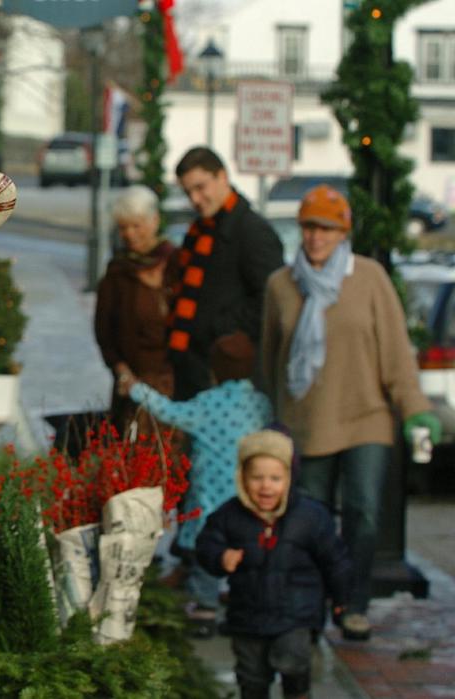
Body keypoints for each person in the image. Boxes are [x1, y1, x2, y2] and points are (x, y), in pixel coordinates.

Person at [260, 184, 441, 641]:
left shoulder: (370, 278)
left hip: (368, 417)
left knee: (362, 512)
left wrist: (416, 409)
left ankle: (353, 602)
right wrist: (267, 424)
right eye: (309, 227)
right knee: (312, 519)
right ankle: (315, 599)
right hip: (307, 421)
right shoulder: (281, 285)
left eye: (326, 228)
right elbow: (269, 363)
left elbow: (397, 352)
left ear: (343, 232)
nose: (317, 237)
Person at [130, 331, 272, 635]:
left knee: (206, 554)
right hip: (248, 498)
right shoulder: (260, 404)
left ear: (215, 369)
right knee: (246, 552)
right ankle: (241, 607)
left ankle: (205, 610)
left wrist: (136, 390)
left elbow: (169, 412)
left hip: (208, 497)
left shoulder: (207, 403)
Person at [196, 429, 353, 699]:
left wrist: (342, 599)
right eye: (256, 477)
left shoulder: (310, 516)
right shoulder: (230, 515)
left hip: (296, 615)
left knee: (293, 663)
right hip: (247, 615)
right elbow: (206, 545)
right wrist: (220, 556)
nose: (266, 486)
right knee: (251, 677)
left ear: (290, 479)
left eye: (275, 478)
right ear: (242, 478)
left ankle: (298, 693)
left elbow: (335, 559)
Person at [169, 147, 284, 400]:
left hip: (229, 372)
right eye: (188, 192)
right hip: (195, 369)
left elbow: (270, 299)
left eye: (201, 187)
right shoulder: (200, 230)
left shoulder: (253, 231)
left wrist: (219, 330)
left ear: (223, 177)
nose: (195, 199)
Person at [95, 185, 177, 435]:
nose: (129, 234)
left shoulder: (177, 263)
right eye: (123, 227)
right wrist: (121, 371)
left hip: (174, 383)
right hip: (131, 382)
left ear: (154, 221)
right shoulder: (118, 271)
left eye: (136, 225)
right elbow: (104, 329)